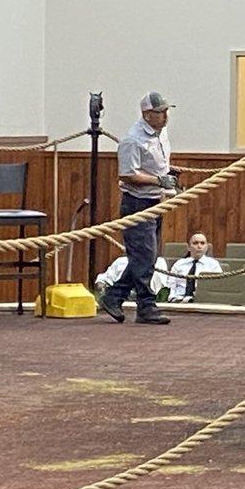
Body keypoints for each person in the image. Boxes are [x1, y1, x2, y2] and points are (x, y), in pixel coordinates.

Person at [97, 92, 178, 326]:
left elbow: (156, 165)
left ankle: (115, 296)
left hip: (154, 201)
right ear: (146, 114)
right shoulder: (133, 140)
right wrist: (158, 181)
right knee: (144, 256)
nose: (165, 116)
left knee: (147, 257)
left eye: (166, 111)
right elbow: (127, 174)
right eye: (160, 112)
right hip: (137, 203)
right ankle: (145, 305)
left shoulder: (160, 134)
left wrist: (165, 179)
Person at [167, 232, 222, 302]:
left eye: (202, 243)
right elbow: (171, 285)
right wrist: (172, 299)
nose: (199, 246)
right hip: (179, 301)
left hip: (203, 302)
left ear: (206, 247)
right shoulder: (179, 264)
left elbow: (218, 287)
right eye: (195, 243)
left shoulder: (213, 265)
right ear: (189, 247)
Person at [96, 254, 170, 299]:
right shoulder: (121, 261)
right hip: (123, 296)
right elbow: (103, 279)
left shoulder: (159, 262)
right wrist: (102, 286)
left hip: (149, 295)